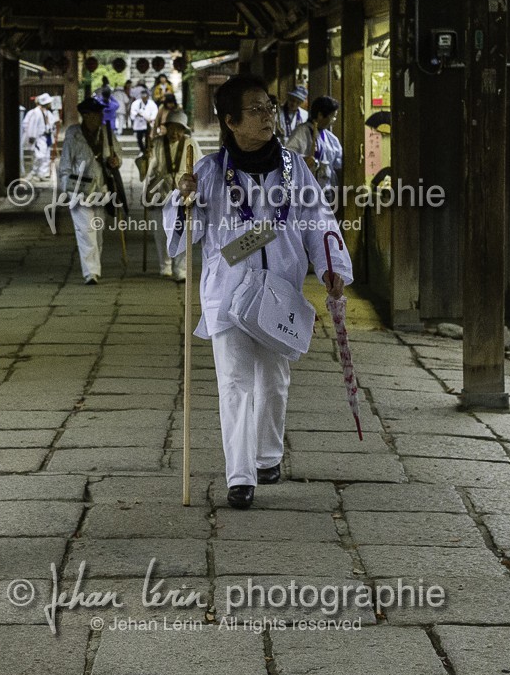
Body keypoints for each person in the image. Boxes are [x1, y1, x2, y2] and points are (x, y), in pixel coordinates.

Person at [166, 74, 352, 510]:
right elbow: (182, 238)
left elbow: (318, 219)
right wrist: (183, 199)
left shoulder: (294, 167)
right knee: (234, 382)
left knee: (274, 379)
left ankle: (268, 456)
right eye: (256, 110)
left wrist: (330, 265)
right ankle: (240, 474)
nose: (269, 115)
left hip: (281, 290)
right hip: (228, 292)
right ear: (231, 121)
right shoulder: (210, 172)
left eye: (269, 107)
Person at [56, 96, 122, 284]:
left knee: (98, 231)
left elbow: (118, 153)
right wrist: (68, 190)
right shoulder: (74, 135)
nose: (100, 116)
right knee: (86, 231)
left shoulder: (107, 133)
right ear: (86, 115)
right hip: (79, 190)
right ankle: (90, 272)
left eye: (100, 112)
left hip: (101, 189)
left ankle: (95, 266)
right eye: (96, 113)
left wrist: (115, 161)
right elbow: (66, 166)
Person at [143, 109, 203, 281]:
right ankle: (165, 265)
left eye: (179, 129)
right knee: (161, 233)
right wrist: (145, 159)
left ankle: (181, 269)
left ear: (184, 130)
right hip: (160, 193)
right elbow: (146, 171)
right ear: (166, 128)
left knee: (183, 231)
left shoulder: (191, 143)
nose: (175, 133)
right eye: (172, 128)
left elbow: (200, 167)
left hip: (183, 194)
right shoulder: (157, 143)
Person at [285, 95, 344, 195]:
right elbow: (287, 157)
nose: (334, 120)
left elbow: (338, 163)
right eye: (332, 116)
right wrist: (303, 160)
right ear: (320, 115)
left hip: (326, 190)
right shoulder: (301, 132)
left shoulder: (331, 138)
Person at [22, 93, 55, 180]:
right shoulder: (35, 113)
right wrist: (32, 137)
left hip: (46, 136)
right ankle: (35, 172)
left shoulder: (47, 113)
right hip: (39, 137)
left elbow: (52, 123)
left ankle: (42, 173)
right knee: (39, 155)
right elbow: (31, 126)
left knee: (46, 155)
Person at [129, 84, 159, 155]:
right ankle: (142, 150)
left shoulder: (152, 103)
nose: (144, 98)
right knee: (139, 138)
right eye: (142, 97)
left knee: (147, 137)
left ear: (147, 96)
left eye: (145, 97)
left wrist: (151, 118)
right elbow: (133, 111)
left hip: (148, 123)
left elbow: (155, 111)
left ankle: (146, 149)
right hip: (139, 123)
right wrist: (137, 114)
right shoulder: (136, 103)